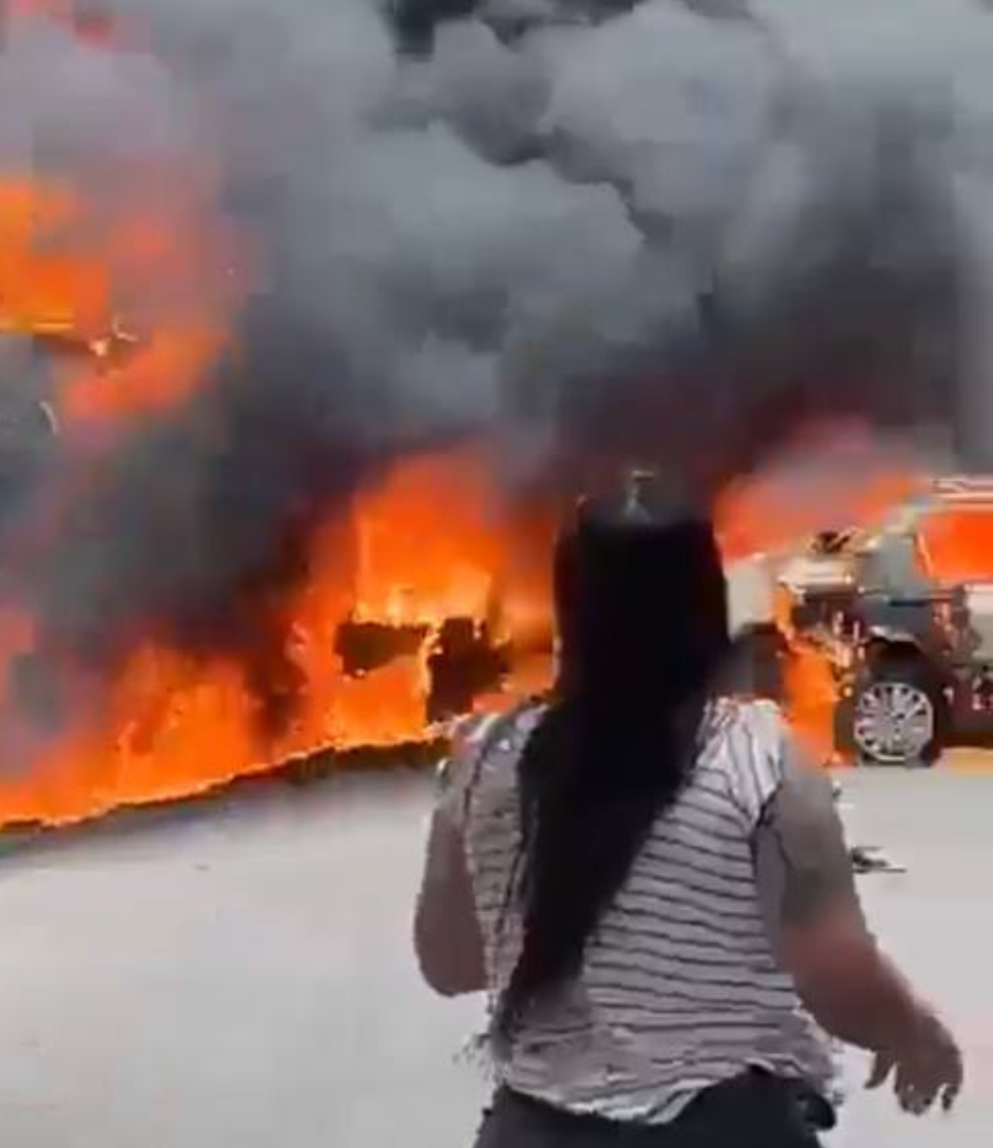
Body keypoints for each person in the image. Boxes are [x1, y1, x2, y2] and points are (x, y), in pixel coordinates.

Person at [413, 488, 963, 1145]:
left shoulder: (485, 758)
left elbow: (447, 962)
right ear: (707, 604)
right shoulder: (758, 756)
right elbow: (832, 969)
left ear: (569, 611)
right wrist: (912, 1032)